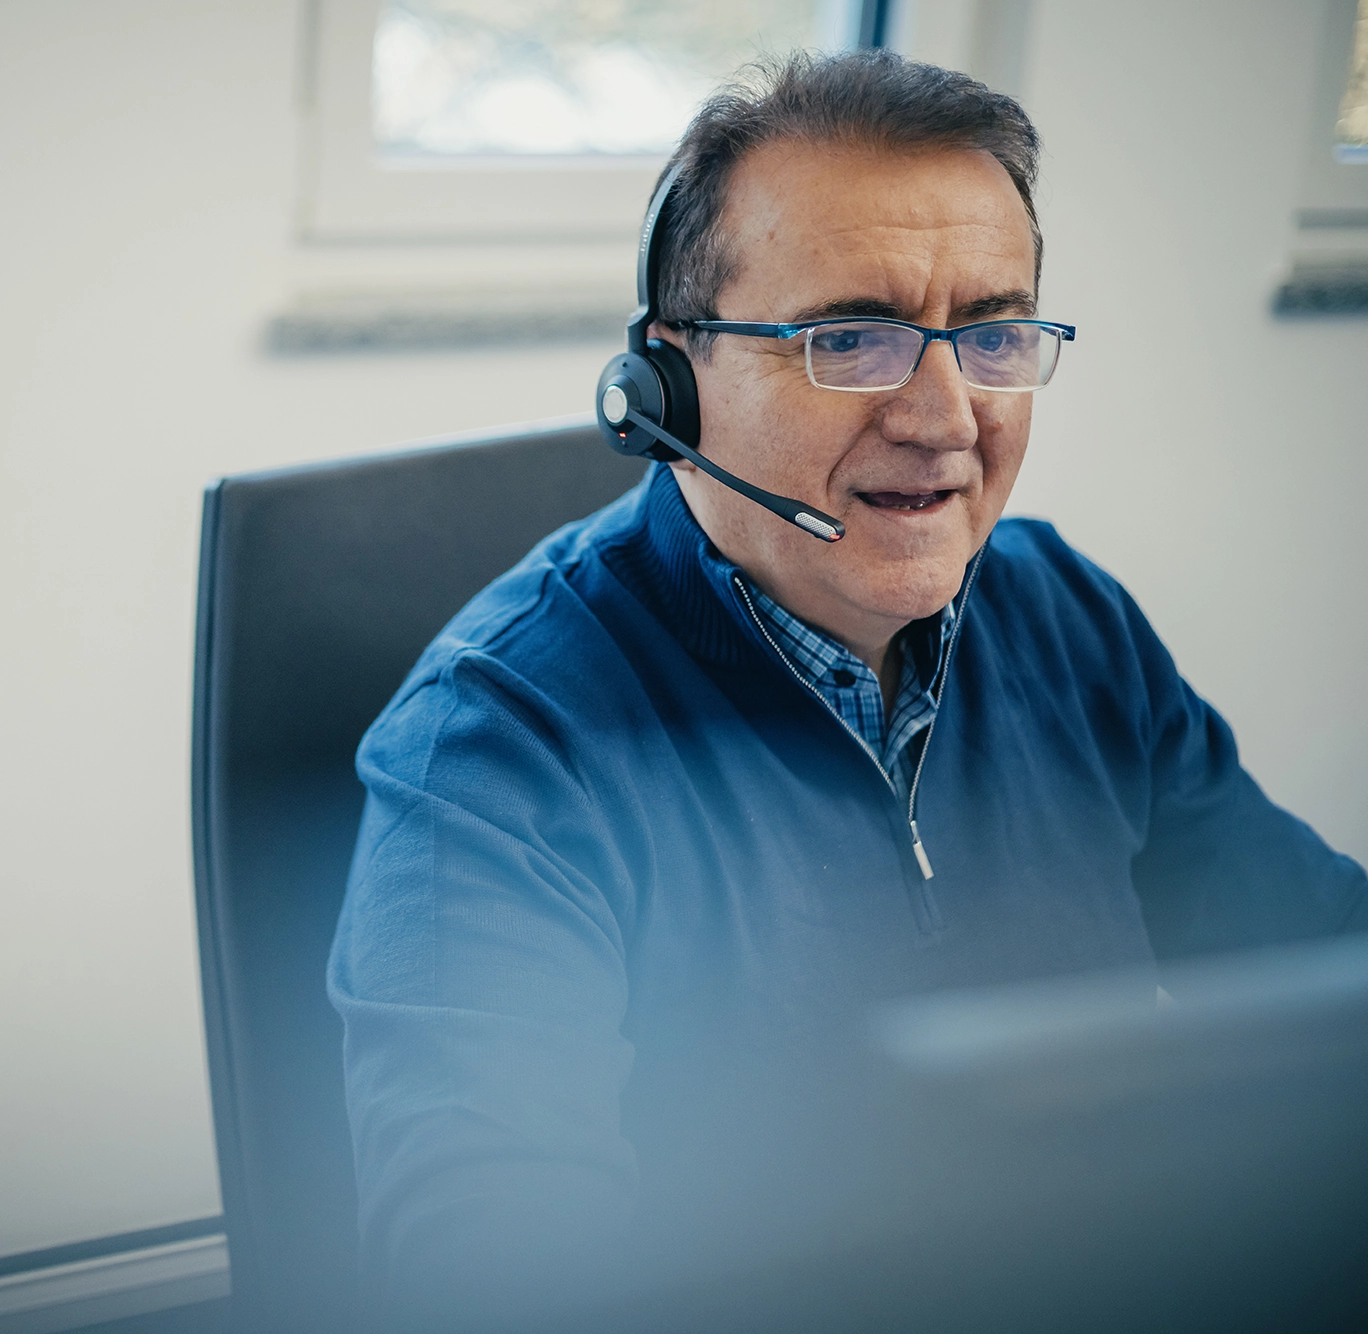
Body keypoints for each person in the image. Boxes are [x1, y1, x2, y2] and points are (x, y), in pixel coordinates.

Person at [326, 48, 1366, 1322]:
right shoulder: (493, 751)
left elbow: (1325, 970)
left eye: (992, 335)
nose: (945, 417)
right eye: (850, 340)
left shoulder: (1062, 613)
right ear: (668, 382)